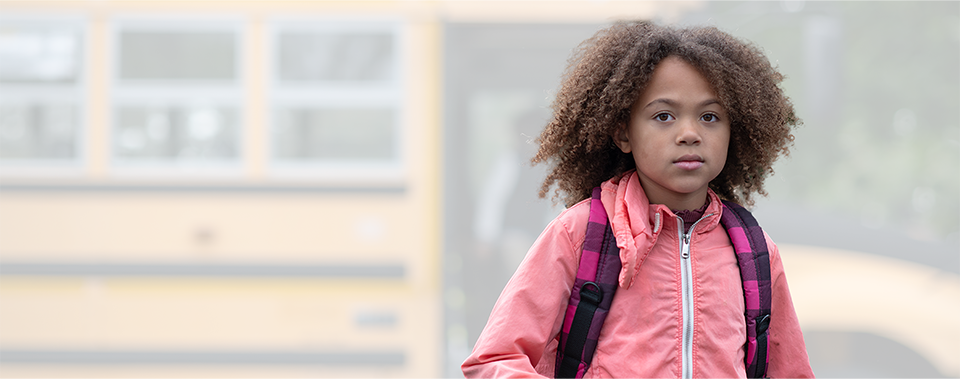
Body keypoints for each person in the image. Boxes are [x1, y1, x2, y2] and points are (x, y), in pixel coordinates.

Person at [461, 21, 815, 378]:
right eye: (664, 116)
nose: (690, 133)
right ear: (622, 132)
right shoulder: (580, 235)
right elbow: (493, 360)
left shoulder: (755, 252)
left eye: (710, 117)